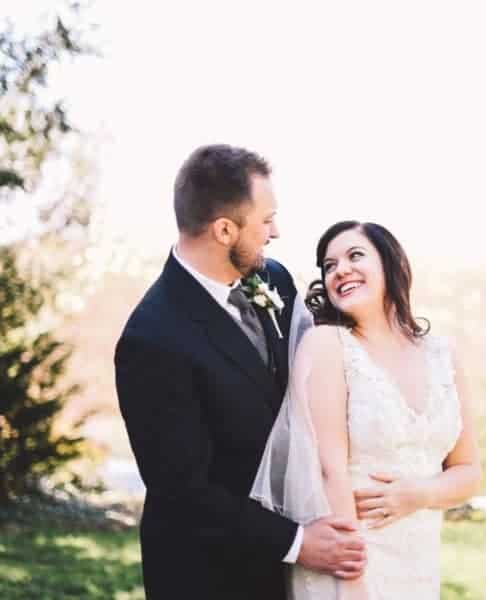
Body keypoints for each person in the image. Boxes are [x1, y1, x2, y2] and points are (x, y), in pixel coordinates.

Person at [115, 145, 366, 600]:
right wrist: (298, 542)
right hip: (208, 576)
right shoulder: (151, 340)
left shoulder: (275, 281)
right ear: (225, 229)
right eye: (266, 220)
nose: (276, 231)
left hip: (291, 568)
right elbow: (183, 491)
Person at [252, 220, 481, 599]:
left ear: (392, 265)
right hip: (351, 559)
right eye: (329, 265)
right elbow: (329, 472)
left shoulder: (443, 354)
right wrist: (352, 584)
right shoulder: (327, 344)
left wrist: (417, 495)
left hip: (419, 564)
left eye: (355, 255)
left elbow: (468, 471)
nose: (340, 269)